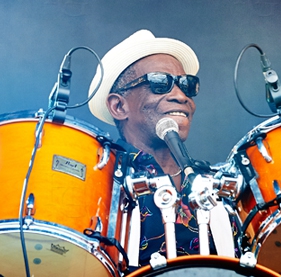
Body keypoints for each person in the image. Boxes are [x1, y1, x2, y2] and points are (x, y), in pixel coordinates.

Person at [88, 29, 237, 268]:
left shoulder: (216, 185)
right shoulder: (100, 182)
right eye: (159, 83)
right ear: (118, 106)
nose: (180, 95)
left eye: (187, 85)